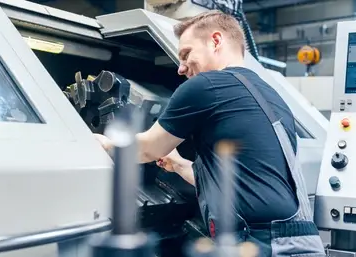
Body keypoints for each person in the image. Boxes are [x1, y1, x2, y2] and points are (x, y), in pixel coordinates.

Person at [95, 10, 325, 256]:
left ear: (216, 41)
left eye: (186, 54)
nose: (180, 68)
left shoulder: (206, 85)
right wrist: (181, 165)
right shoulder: (270, 94)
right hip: (302, 243)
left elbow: (146, 149)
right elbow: (248, 179)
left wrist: (103, 143)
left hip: (259, 244)